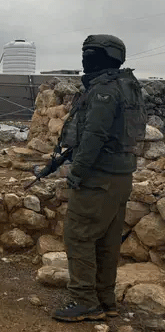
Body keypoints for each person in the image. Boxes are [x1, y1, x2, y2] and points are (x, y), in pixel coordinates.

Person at [52, 34, 146, 322]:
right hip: (121, 176)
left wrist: (77, 172)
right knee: (107, 241)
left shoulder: (104, 90)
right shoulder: (127, 86)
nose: (84, 59)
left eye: (90, 54)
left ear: (106, 57)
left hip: (98, 177)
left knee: (79, 236)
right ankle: (105, 300)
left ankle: (84, 301)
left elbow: (94, 135)